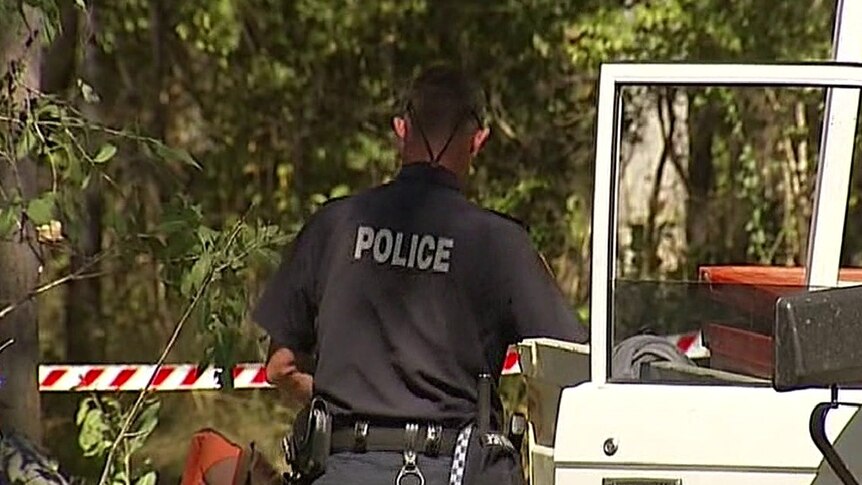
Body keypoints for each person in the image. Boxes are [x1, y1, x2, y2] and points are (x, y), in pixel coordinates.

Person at [252, 63, 588, 485]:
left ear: (401, 129)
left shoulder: (333, 225)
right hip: (455, 469)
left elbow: (280, 368)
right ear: (478, 141)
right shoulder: (499, 243)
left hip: (343, 470)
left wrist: (346, 401)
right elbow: (571, 363)